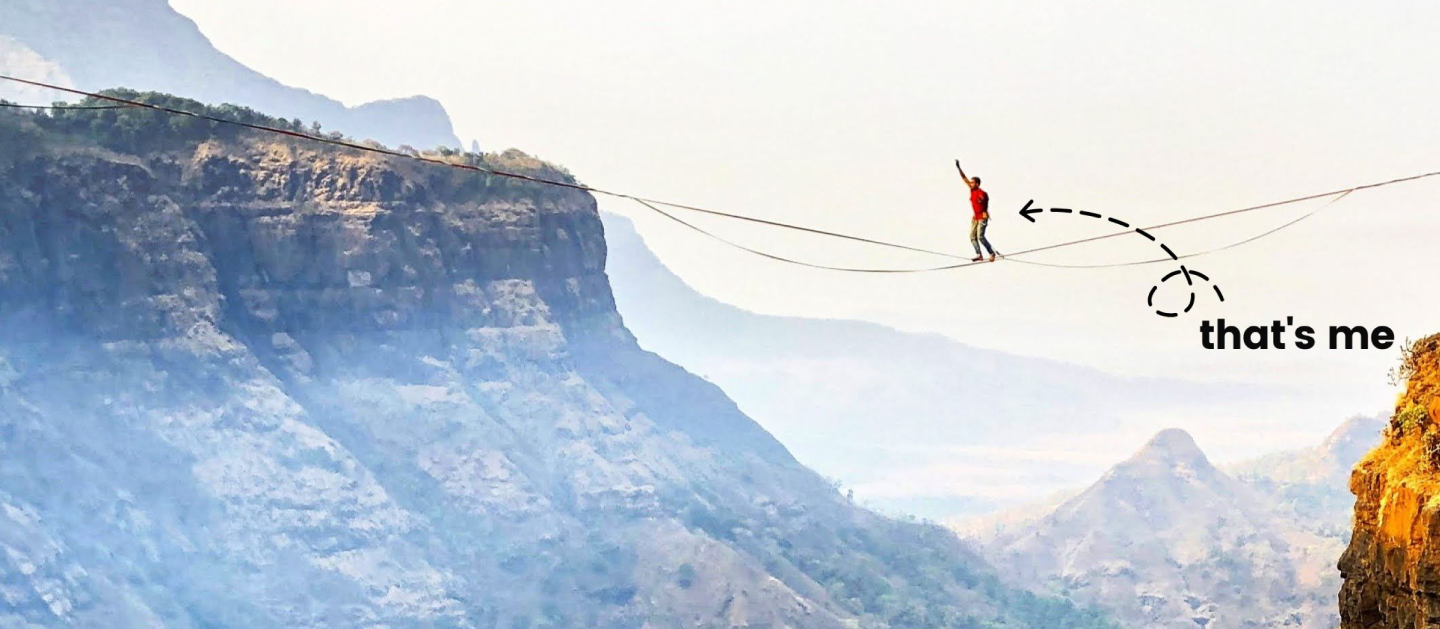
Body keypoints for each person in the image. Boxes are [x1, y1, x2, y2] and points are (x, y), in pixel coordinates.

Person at [955, 159, 997, 262]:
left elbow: (983, 201)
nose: (970, 183)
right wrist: (959, 168)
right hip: (975, 217)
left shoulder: (982, 193)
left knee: (980, 237)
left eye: (972, 182)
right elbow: (964, 178)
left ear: (977, 184)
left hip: (982, 216)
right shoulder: (972, 189)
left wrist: (981, 200)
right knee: (972, 237)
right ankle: (979, 255)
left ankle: (992, 253)